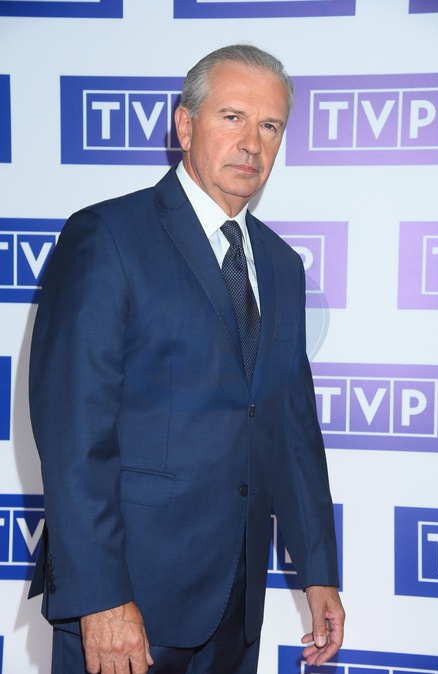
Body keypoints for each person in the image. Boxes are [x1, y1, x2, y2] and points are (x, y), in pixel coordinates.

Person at [29, 44, 345, 674]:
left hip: (235, 606)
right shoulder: (107, 237)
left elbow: (292, 431)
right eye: (232, 117)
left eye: (270, 125)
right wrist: (100, 597)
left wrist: (319, 573)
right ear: (185, 125)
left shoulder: (282, 265)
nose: (252, 143)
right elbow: (73, 433)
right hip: (129, 600)